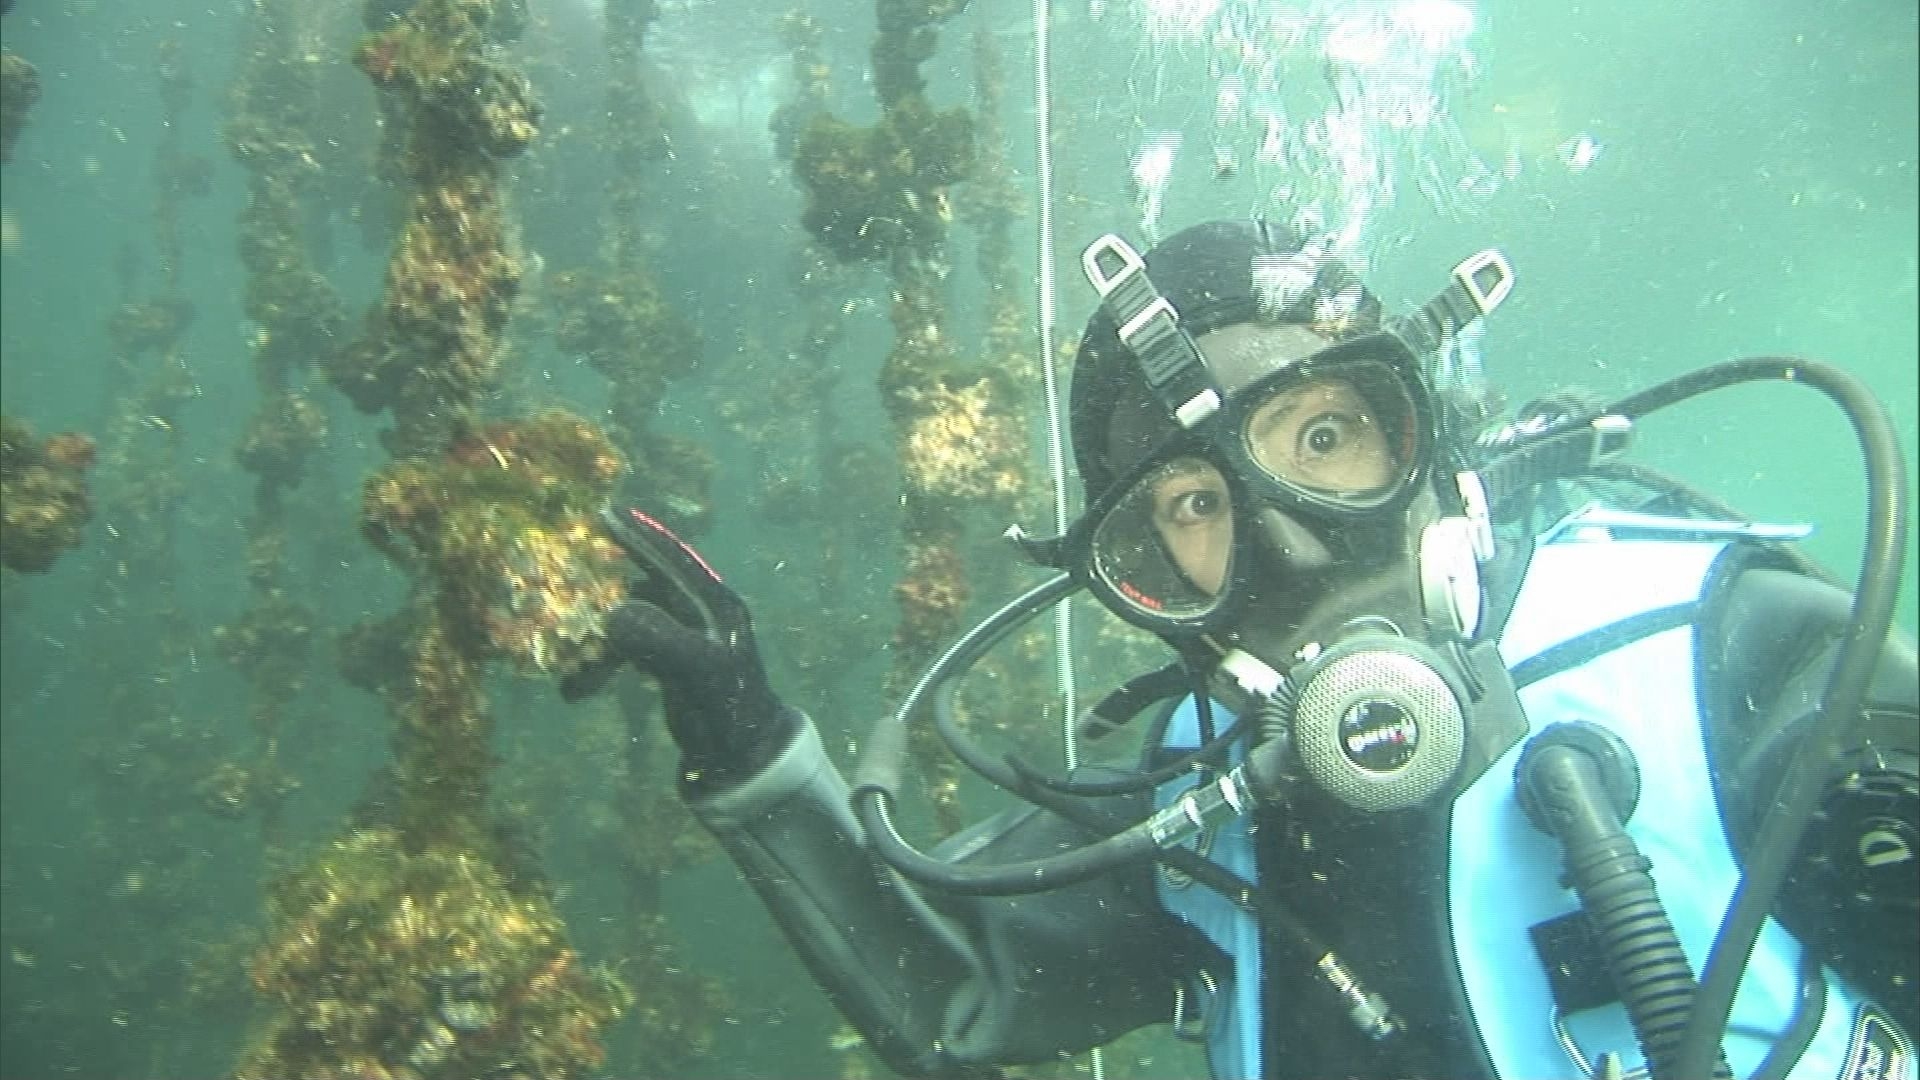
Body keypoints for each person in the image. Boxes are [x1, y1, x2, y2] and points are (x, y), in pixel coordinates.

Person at [564, 220, 1918, 1080]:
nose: (1291, 544)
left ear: (1425, 441)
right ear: (1148, 574)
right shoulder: (1185, 804)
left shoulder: (1722, 650)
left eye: (1323, 440)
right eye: (1199, 506)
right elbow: (953, 987)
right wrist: (749, 749)